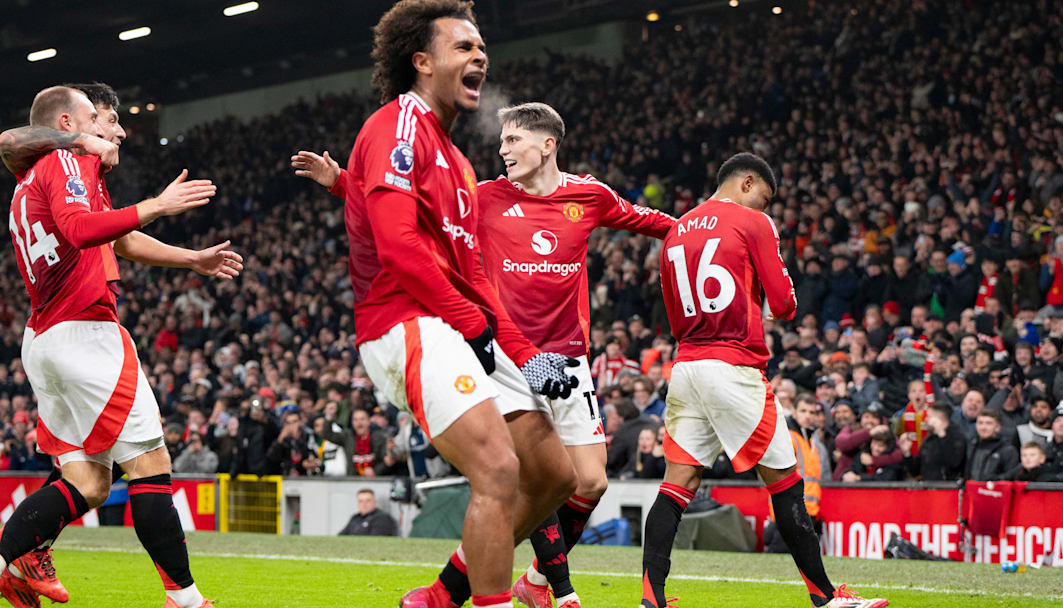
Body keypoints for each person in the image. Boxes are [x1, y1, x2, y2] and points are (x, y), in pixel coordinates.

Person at [296, 100, 674, 607]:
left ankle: (531, 582)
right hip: (505, 356)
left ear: (547, 144)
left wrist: (711, 225)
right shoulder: (486, 197)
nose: (503, 150)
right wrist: (342, 180)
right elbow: (415, 214)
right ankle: (544, 591)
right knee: (532, 473)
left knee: (590, 482)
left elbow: (652, 221)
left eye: (513, 140)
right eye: (501, 142)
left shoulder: (590, 195)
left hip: (568, 357)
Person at [295, 4, 583, 608]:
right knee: (499, 471)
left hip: (451, 319)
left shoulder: (457, 162)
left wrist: (526, 357)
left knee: (556, 476)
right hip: (406, 323)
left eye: (482, 48)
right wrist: (471, 321)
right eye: (464, 47)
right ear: (421, 62)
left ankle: (441, 594)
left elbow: (476, 275)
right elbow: (399, 248)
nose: (480, 56)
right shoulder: (397, 125)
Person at [1, 85, 240, 608]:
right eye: (101, 118)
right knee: (151, 463)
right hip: (85, 331)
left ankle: (17, 558)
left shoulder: (33, 177)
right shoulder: (67, 159)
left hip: (44, 338)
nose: (117, 131)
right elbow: (82, 229)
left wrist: (190, 259)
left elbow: (119, 241)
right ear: (67, 122)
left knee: (86, 481)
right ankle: (186, 600)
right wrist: (156, 203)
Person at [639, 153, 885, 608]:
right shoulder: (753, 223)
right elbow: (786, 303)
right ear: (747, 182)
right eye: (765, 199)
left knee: (676, 486)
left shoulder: (675, 230)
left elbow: (671, 309)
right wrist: (765, 304)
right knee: (787, 483)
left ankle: (650, 600)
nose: (766, 210)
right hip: (733, 366)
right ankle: (826, 598)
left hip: (686, 365)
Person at [900, 404, 966, 480]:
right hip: (929, 488)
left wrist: (942, 435)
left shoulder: (957, 437)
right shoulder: (928, 440)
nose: (926, 419)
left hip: (949, 489)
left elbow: (954, 463)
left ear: (938, 418)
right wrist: (907, 453)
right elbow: (915, 472)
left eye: (928, 416)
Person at [965, 409, 1019, 481]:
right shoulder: (970, 446)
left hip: (996, 491)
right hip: (971, 490)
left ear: (997, 427)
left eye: (988, 423)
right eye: (980, 423)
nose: (983, 427)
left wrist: (992, 481)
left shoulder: (1008, 450)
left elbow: (1011, 478)